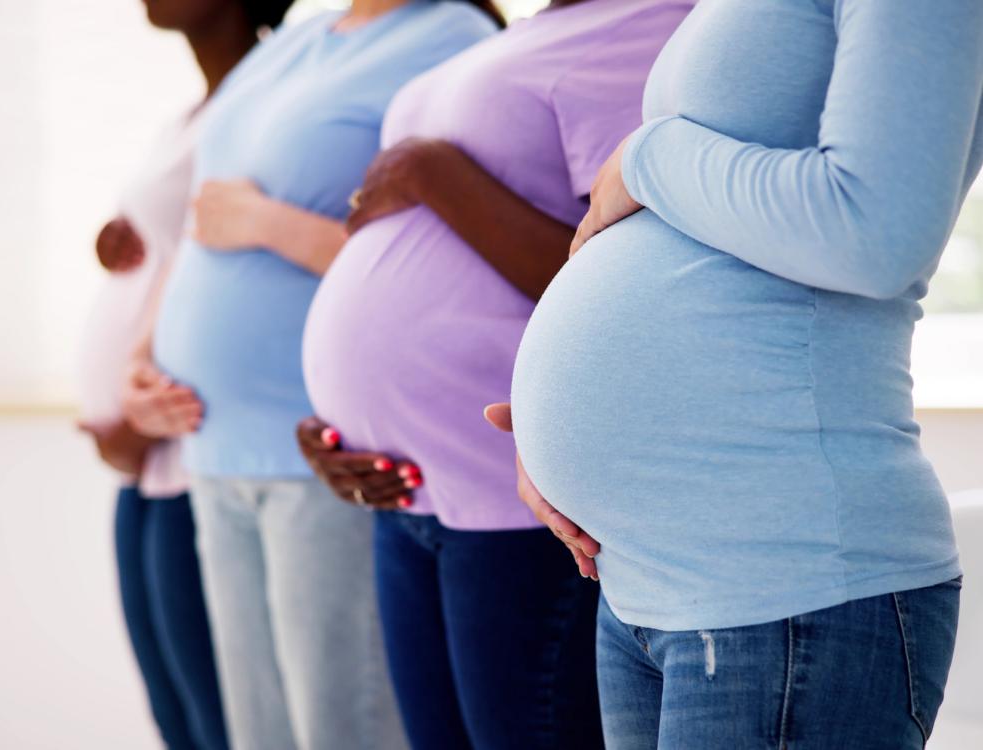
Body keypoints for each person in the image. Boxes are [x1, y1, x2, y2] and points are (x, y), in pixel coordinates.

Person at [502, 1, 983, 747]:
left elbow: (875, 238)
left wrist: (645, 158)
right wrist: (558, 425)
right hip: (645, 587)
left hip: (786, 590)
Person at [294, 1, 692, 748]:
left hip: (517, 501)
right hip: (407, 493)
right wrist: (345, 408)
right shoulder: (535, 32)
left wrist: (429, 171)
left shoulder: (656, 23)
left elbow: (632, 281)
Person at [133, 2, 498, 748]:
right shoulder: (299, 39)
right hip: (213, 445)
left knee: (344, 729)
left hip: (321, 454)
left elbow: (453, 258)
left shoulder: (453, 37)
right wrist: (143, 357)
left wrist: (270, 224)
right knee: (258, 734)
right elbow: (205, 214)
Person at [78, 2, 292, 748]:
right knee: (175, 714)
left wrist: (135, 424)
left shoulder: (271, 93)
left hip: (185, 445)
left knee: (216, 721)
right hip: (142, 454)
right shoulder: (197, 109)